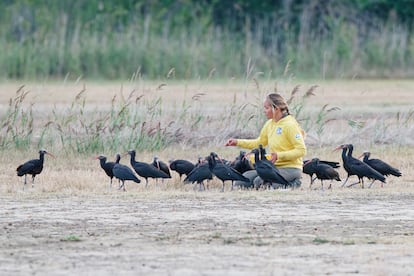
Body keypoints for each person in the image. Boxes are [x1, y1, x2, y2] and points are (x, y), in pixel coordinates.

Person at [225, 93, 306, 188]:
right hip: (273, 168)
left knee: (260, 182)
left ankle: (293, 183)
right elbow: (259, 143)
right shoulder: (269, 124)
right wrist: (237, 142)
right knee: (242, 181)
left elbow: (301, 150)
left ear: (276, 109)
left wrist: (279, 155)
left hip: (291, 168)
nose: (264, 111)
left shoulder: (290, 125)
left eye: (266, 108)